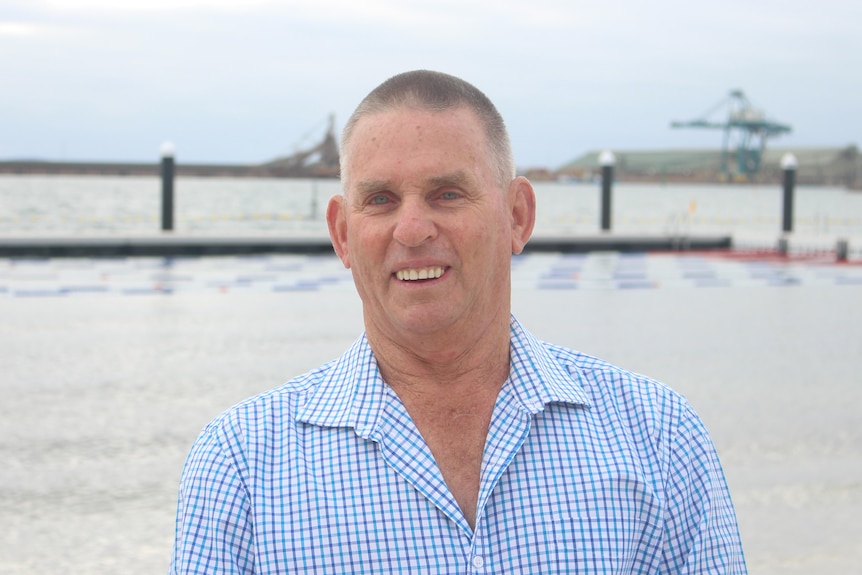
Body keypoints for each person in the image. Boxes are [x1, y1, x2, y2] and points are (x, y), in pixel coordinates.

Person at [170, 70, 747, 573]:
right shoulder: (243, 466)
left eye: (447, 194)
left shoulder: (660, 438)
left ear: (517, 216)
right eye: (380, 200)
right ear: (342, 234)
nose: (413, 229)